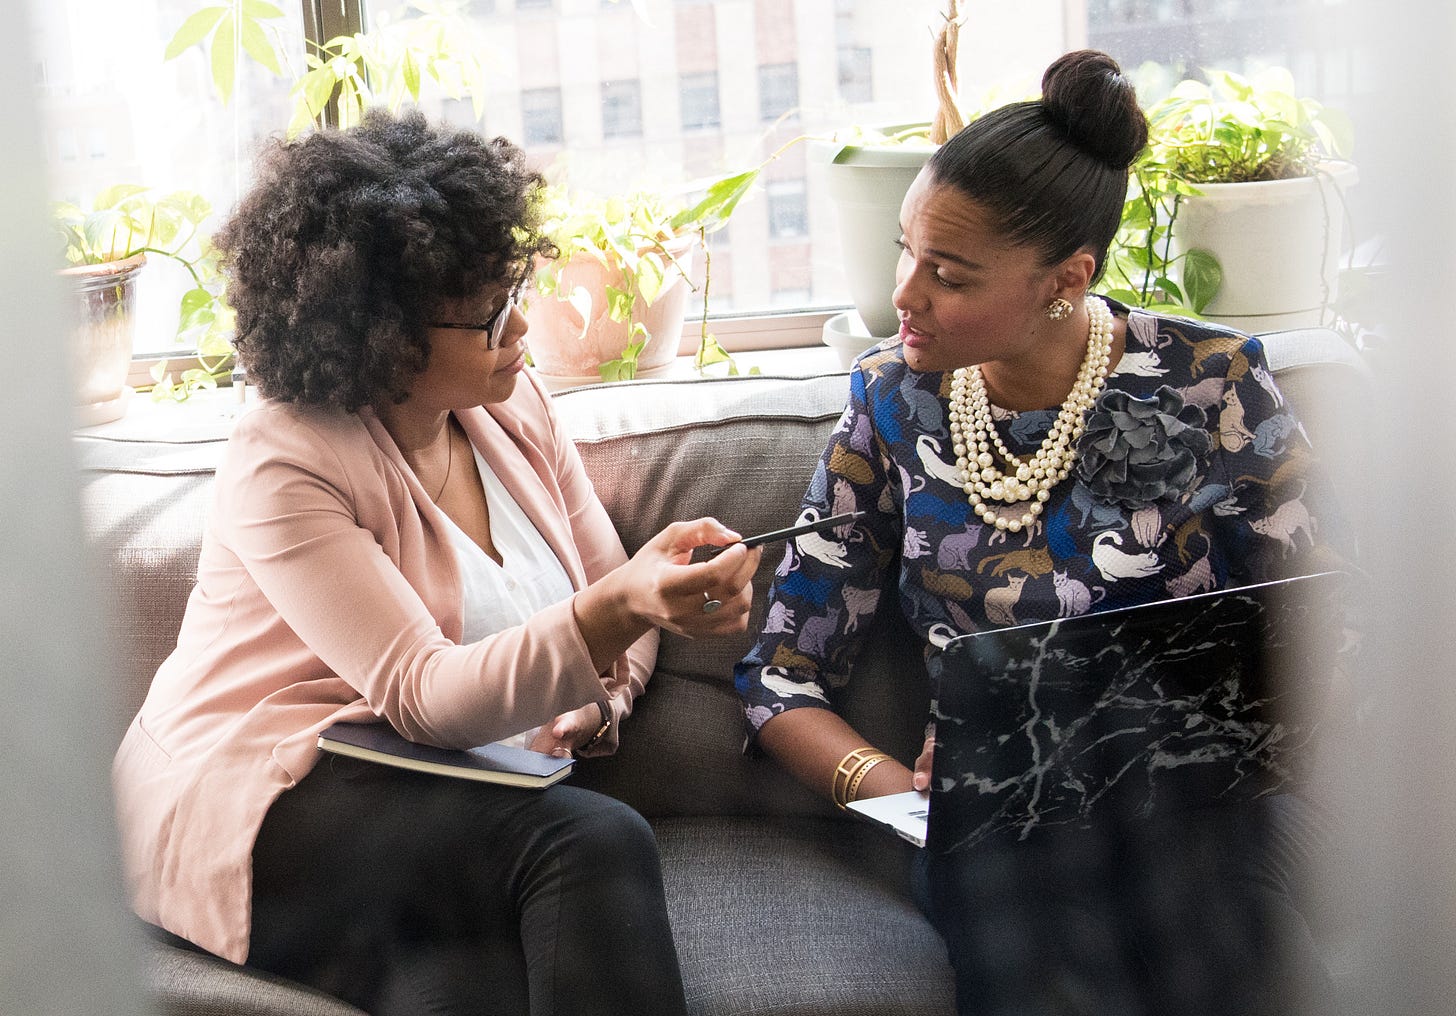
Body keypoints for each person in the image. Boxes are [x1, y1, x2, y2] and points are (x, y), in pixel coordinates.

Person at [735, 51, 1347, 1016]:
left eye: (949, 274)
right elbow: (780, 675)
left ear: (1068, 278)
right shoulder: (888, 399)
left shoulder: (1216, 382)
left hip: (1198, 815)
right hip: (999, 837)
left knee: (1240, 959)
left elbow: (1336, 624)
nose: (906, 295)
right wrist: (903, 793)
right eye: (906, 251)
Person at [111, 109, 761, 1016]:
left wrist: (598, 692)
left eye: (513, 290)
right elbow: (423, 693)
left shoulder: (511, 402)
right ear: (382, 336)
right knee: (590, 842)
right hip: (268, 786)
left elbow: (612, 573)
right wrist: (621, 614)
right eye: (491, 314)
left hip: (439, 794)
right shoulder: (286, 457)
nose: (523, 325)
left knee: (469, 983)